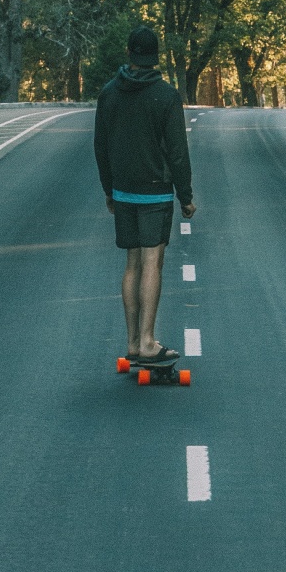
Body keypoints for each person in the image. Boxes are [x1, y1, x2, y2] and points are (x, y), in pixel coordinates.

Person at [94, 23, 195, 363]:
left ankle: (133, 342)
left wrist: (110, 189)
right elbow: (177, 151)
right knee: (153, 261)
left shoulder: (109, 93)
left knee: (132, 263)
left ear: (129, 53)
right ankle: (149, 341)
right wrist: (186, 195)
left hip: (123, 191)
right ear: (157, 57)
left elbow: (101, 146)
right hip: (155, 193)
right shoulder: (166, 96)